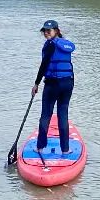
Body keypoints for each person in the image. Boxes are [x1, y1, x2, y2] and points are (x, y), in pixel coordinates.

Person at [32, 19, 76, 156]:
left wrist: (36, 83)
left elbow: (44, 65)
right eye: (44, 31)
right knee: (63, 114)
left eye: (48, 31)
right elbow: (70, 55)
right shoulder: (66, 44)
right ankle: (65, 149)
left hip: (52, 84)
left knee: (46, 114)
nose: (46, 33)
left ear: (56, 31)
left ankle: (40, 147)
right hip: (67, 83)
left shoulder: (50, 45)